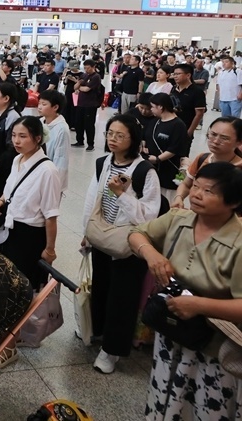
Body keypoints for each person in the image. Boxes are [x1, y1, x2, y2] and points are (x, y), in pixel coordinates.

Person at [129, 162, 242, 420]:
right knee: (164, 393)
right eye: (196, 186)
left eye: (209, 191)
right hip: (171, 332)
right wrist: (152, 255)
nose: (197, 194)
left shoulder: (238, 243)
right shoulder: (179, 219)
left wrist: (199, 305)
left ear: (234, 201)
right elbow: (136, 234)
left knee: (204, 405)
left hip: (214, 349)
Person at [81, 114, 162, 374]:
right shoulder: (103, 162)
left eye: (120, 135)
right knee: (102, 286)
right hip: (102, 237)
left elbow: (148, 216)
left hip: (129, 244)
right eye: (109, 133)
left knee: (122, 297)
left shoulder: (145, 171)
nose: (112, 139)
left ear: (133, 139)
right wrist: (86, 232)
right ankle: (98, 330)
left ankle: (112, 350)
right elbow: (91, 199)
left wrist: (122, 195)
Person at [0, 116, 62, 369]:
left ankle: (9, 347)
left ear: (38, 139)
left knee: (18, 291)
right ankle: (13, 334)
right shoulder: (18, 160)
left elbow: (51, 216)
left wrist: (50, 249)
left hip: (30, 237)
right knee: (9, 287)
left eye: (23, 136)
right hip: (11, 231)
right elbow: (10, 190)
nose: (16, 141)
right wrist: (0, 200)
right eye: (14, 136)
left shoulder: (48, 171)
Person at [171, 117, 242, 209]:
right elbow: (186, 184)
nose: (216, 141)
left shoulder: (239, 168)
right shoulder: (202, 158)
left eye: (224, 138)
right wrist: (179, 198)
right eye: (213, 134)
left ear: (239, 142)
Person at [144, 93, 188, 204]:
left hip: (168, 169)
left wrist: (158, 159)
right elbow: (146, 136)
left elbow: (174, 149)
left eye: (152, 107)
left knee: (165, 200)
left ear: (160, 107)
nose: (151, 109)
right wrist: (144, 146)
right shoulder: (155, 121)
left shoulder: (178, 125)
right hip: (152, 167)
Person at [37, 90, 70, 191]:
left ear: (55, 107)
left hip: (51, 180)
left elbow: (61, 160)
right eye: (39, 103)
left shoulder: (62, 129)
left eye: (44, 104)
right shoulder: (39, 122)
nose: (39, 107)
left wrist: (55, 186)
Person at [171, 64, 206, 154]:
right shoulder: (174, 89)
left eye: (178, 74)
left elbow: (199, 114)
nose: (175, 76)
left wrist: (189, 133)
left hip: (185, 128)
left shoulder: (197, 92)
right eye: (174, 74)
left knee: (181, 155)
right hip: (172, 127)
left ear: (188, 75)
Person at [72, 59, 102, 152]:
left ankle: (90, 144)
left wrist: (79, 87)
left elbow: (86, 89)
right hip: (80, 103)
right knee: (78, 123)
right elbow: (75, 87)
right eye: (85, 68)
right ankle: (80, 141)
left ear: (93, 67)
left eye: (88, 68)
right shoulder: (84, 75)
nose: (86, 70)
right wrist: (78, 84)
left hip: (90, 104)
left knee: (89, 124)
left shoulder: (96, 77)